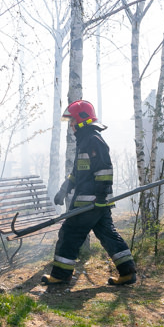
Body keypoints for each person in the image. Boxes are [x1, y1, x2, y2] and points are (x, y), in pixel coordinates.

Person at [43, 100, 137, 286]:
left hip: (91, 202)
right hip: (95, 203)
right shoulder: (86, 141)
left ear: (82, 120)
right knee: (108, 235)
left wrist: (100, 198)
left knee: (70, 233)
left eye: (72, 121)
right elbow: (79, 173)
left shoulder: (93, 141)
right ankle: (128, 272)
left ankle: (61, 275)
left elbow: (104, 170)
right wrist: (64, 189)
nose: (70, 126)